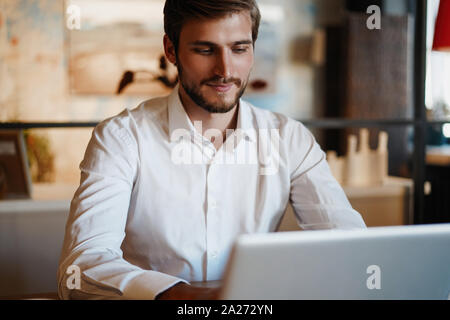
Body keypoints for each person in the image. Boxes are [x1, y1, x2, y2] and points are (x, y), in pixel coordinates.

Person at [57, 0, 366, 300]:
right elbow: (82, 268)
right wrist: (186, 297)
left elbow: (351, 246)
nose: (225, 69)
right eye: (205, 49)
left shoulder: (290, 140)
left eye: (239, 48)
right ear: (170, 50)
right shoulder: (121, 139)